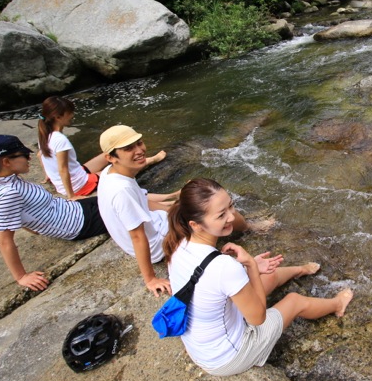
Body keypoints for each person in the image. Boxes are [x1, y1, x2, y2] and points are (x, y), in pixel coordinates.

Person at [163, 178, 353, 376]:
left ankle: (300, 270)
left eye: (231, 206)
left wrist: (246, 269)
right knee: (294, 301)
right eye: (221, 215)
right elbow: (257, 318)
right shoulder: (223, 266)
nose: (231, 216)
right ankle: (338, 304)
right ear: (196, 224)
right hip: (227, 357)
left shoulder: (177, 244)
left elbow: (210, 281)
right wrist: (252, 266)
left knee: (269, 277)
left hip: (203, 342)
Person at [96, 125, 270, 297]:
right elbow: (137, 236)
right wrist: (150, 279)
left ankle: (192, 209)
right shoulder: (122, 190)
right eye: (128, 149)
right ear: (110, 157)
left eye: (139, 143)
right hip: (156, 243)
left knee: (198, 198)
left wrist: (173, 197)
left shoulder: (110, 174)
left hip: (155, 224)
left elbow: (143, 200)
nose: (139, 150)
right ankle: (249, 227)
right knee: (217, 207)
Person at [0, 134, 108, 291]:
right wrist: (21, 277)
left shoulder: (10, 179)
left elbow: (21, 213)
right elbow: (4, 241)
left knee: (131, 196)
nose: (29, 159)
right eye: (24, 155)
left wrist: (32, 225)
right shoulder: (7, 194)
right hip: (80, 224)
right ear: (6, 162)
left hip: (74, 209)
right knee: (135, 206)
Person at [37, 96, 166, 199]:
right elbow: (63, 169)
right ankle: (152, 159)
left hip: (76, 174)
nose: (72, 115)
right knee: (124, 166)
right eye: (70, 112)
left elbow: (40, 155)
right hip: (81, 185)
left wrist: (48, 175)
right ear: (58, 117)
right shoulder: (60, 140)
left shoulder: (45, 134)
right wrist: (71, 195)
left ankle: (126, 157)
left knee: (109, 152)